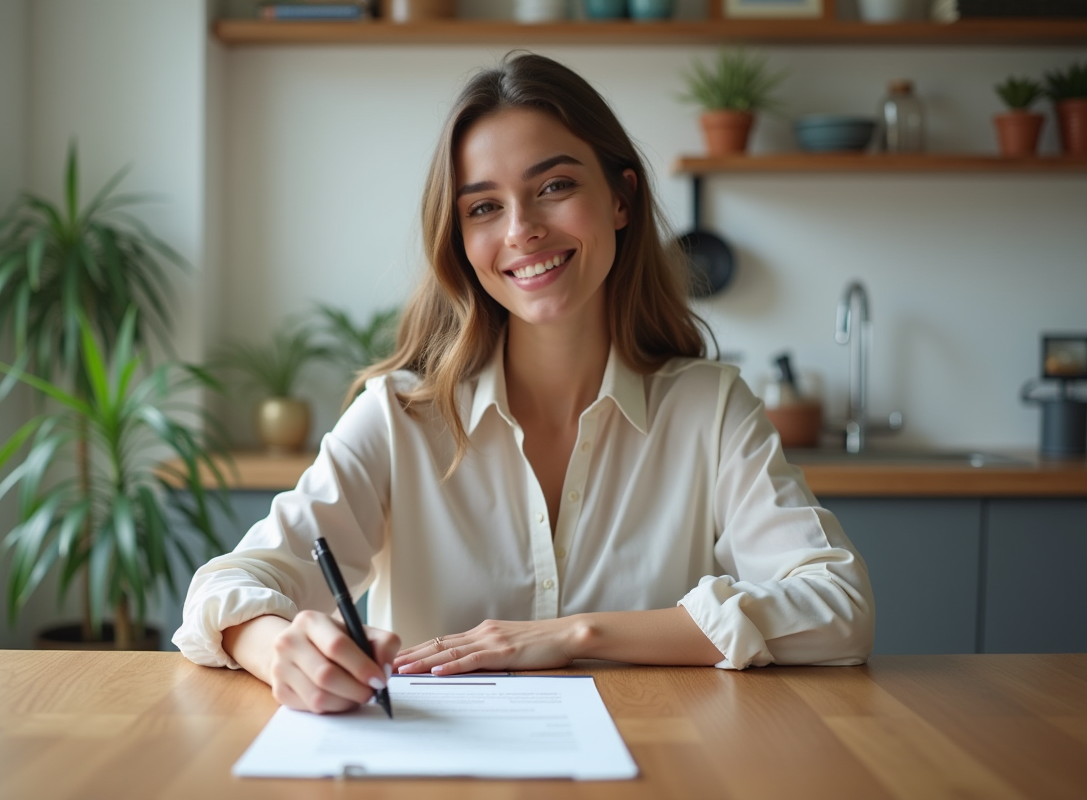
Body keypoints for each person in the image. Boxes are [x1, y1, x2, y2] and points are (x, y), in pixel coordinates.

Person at [173, 52, 874, 714]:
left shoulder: (712, 409)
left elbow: (838, 607)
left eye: (555, 187)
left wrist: (575, 636)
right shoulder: (398, 417)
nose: (523, 230)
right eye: (483, 207)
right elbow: (225, 588)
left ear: (622, 197)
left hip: (654, 768)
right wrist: (277, 649)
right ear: (460, 239)